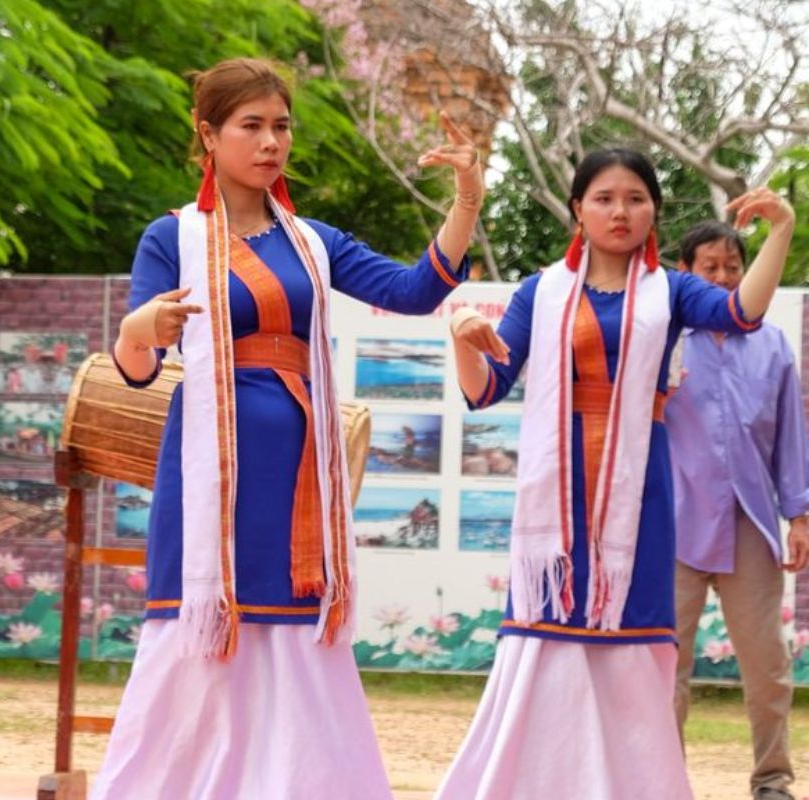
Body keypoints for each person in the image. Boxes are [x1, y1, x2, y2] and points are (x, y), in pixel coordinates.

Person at [90, 57, 483, 799]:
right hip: (209, 470)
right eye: (252, 126)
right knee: (201, 623)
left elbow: (415, 289)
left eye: (281, 126)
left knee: (295, 627)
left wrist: (465, 196)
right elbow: (138, 366)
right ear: (208, 135)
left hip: (299, 463)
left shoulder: (311, 239)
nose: (271, 142)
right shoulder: (171, 236)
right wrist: (139, 327)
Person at [440, 148, 794, 800]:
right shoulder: (541, 291)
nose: (621, 211)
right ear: (578, 209)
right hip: (557, 493)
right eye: (604, 198)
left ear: (654, 209)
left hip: (641, 493)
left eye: (635, 197)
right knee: (547, 632)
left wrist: (781, 230)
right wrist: (463, 341)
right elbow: (486, 389)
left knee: (636, 640)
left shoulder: (675, 290)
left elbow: (742, 312)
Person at [667, 215, 808, 800]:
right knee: (663, 670)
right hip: (674, 528)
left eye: (733, 267)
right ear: (684, 274)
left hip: (751, 526)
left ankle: (772, 779)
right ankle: (662, 780)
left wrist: (799, 516)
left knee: (768, 669)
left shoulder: (772, 344)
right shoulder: (664, 340)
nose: (724, 278)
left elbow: (791, 437)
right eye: (710, 268)